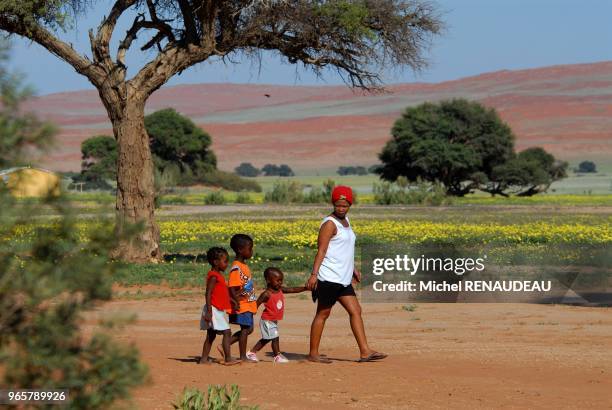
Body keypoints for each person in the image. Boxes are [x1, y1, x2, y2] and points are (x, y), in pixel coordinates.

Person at [305, 185, 387, 363]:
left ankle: (365, 351)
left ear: (350, 204)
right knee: (323, 314)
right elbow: (322, 250)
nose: (341, 208)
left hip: (343, 278)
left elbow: (345, 249)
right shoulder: (329, 223)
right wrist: (314, 274)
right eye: (338, 205)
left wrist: (353, 269)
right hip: (328, 277)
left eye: (345, 205)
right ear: (333, 203)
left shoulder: (346, 221)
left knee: (356, 310)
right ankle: (313, 353)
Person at [248, 267, 307, 363]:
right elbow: (256, 305)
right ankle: (277, 356)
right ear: (268, 280)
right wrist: (250, 316)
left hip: (272, 320)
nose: (280, 283)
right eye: (278, 280)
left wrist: (305, 288)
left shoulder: (280, 289)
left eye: (281, 280)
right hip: (267, 320)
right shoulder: (266, 294)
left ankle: (252, 352)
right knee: (274, 337)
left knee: (267, 339)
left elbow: (292, 289)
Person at [199, 247, 240, 365]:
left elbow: (223, 293)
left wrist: (232, 300)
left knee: (211, 335)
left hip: (217, 309)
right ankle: (228, 358)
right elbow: (208, 293)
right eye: (225, 261)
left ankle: (203, 359)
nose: (227, 264)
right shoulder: (213, 276)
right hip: (214, 309)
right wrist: (209, 311)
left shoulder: (219, 276)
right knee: (227, 332)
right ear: (216, 262)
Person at [227, 234, 258, 362]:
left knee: (249, 329)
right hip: (242, 304)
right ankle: (242, 356)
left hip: (247, 303)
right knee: (246, 329)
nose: (251, 251)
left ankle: (225, 344)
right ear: (240, 250)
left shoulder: (243, 266)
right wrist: (235, 302)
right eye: (249, 249)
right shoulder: (236, 267)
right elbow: (232, 288)